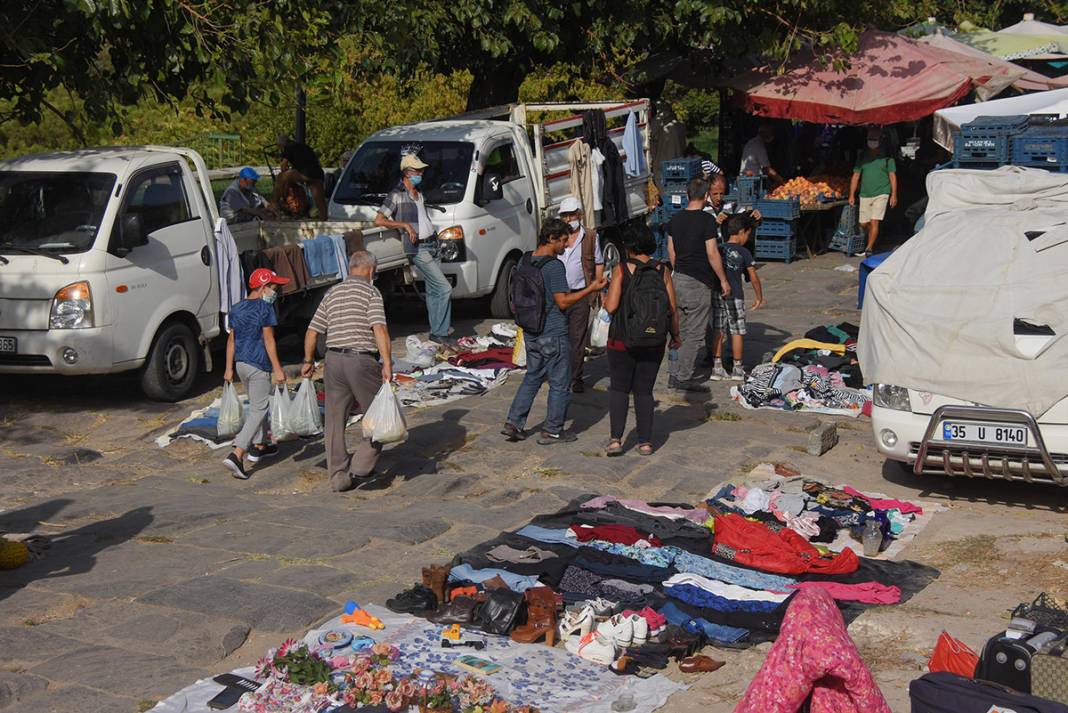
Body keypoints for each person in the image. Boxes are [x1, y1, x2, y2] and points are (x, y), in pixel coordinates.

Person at [501, 219, 606, 445]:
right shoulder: (553, 266)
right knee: (560, 383)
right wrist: (591, 288)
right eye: (563, 240)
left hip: (531, 331)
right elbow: (563, 301)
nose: (566, 245)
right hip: (553, 332)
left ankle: (514, 422)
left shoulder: (525, 259)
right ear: (551, 239)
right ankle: (553, 430)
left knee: (533, 377)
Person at [300, 251, 393, 492]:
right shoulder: (371, 292)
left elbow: (312, 331)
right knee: (379, 415)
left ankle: (338, 476)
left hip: (333, 360)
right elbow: (379, 328)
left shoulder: (332, 292)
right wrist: (387, 363)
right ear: (371, 270)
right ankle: (361, 466)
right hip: (360, 360)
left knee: (334, 419)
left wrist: (308, 360)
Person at [603, 224, 680, 456]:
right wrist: (675, 336)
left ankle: (616, 441)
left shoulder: (621, 269)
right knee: (644, 391)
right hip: (653, 340)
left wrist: (604, 293)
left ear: (628, 246)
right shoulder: (662, 269)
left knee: (618, 389)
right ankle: (645, 442)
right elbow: (672, 308)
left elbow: (611, 306)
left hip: (621, 339)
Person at [374, 153, 453, 344]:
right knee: (445, 288)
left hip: (432, 243)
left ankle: (437, 333)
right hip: (418, 247)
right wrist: (404, 226)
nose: (422, 173)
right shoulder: (396, 194)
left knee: (435, 290)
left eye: (422, 170)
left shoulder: (419, 193)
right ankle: (441, 332)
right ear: (408, 172)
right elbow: (379, 219)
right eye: (418, 170)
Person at [222, 268, 289, 480]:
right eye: (274, 288)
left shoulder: (237, 308)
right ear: (263, 287)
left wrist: (228, 368)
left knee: (255, 405)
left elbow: (231, 340)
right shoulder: (264, 309)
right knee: (260, 409)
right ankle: (238, 452)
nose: (275, 292)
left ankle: (260, 445)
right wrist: (278, 368)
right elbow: (269, 341)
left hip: (241, 364)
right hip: (259, 364)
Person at [667, 177, 731, 393]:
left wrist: (679, 270)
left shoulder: (674, 220)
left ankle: (673, 372)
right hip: (698, 282)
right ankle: (683, 377)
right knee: (694, 334)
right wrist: (723, 279)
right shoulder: (707, 221)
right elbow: (712, 253)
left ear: (687, 195)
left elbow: (671, 251)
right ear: (705, 197)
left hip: (678, 279)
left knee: (678, 331)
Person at [558, 195, 605, 393]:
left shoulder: (591, 236)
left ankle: (575, 378)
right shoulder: (556, 236)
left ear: (580, 214)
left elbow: (598, 262)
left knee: (577, 339)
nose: (569, 219)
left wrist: (598, 288)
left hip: (581, 295)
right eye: (565, 216)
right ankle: (560, 374)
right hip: (558, 294)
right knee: (559, 338)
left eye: (571, 215)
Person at [710, 213, 764, 381]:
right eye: (748, 234)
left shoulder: (718, 249)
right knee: (737, 331)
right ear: (741, 232)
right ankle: (738, 368)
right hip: (735, 295)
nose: (748, 238)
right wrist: (759, 296)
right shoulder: (744, 252)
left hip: (717, 293)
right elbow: (753, 277)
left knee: (718, 329)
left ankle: (717, 367)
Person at [849, 127, 898, 257]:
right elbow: (856, 176)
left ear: (880, 140)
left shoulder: (887, 157)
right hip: (865, 193)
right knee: (863, 223)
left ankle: (869, 248)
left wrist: (894, 194)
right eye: (870, 139)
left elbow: (892, 176)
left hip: (882, 192)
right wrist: (851, 195)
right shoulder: (862, 157)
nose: (872, 142)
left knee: (875, 221)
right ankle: (874, 235)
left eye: (874, 139)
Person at [272, 134, 328, 218]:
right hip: (318, 174)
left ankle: (274, 204)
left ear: (281, 144)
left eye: (279, 146)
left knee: (281, 177)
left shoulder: (288, 146)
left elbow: (283, 166)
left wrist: (287, 176)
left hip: (305, 173)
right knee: (319, 199)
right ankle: (323, 217)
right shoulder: (304, 147)